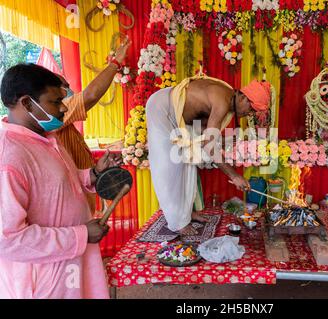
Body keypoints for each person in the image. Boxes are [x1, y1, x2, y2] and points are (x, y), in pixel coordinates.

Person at [0, 64, 122, 299]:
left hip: (71, 265)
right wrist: (80, 235)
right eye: (55, 102)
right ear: (26, 103)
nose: (64, 108)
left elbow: (62, 182)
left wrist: (94, 174)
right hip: (45, 279)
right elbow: (8, 239)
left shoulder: (45, 137)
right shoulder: (9, 156)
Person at [146, 73, 272, 235]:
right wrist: (234, 176)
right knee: (170, 167)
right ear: (244, 99)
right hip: (162, 109)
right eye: (251, 110)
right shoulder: (222, 102)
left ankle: (186, 214)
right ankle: (177, 222)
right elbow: (209, 146)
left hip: (182, 120)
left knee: (188, 164)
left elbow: (205, 130)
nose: (249, 115)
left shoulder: (229, 97)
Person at [56, 37, 131, 212]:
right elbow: (90, 96)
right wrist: (116, 62)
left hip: (82, 199)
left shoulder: (62, 119)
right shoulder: (59, 110)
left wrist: (97, 168)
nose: (69, 91)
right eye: (64, 88)